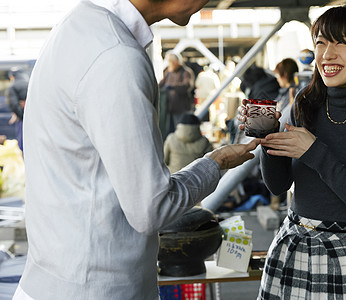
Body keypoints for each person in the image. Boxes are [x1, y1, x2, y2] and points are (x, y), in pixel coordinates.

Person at [14, 0, 260, 299]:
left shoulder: (78, 27)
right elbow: (151, 208)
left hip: (57, 281)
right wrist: (216, 161)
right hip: (97, 290)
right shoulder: (116, 57)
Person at [239, 4, 346, 299]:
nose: (327, 54)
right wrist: (268, 139)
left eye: (343, 42)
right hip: (292, 244)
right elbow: (279, 185)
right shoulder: (306, 104)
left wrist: (315, 152)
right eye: (321, 42)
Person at [159, 51, 195, 133]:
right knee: (169, 132)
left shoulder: (186, 72)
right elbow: (161, 84)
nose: (169, 64)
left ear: (176, 62)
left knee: (181, 131)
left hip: (181, 109)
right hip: (169, 109)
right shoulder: (168, 72)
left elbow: (187, 86)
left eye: (171, 62)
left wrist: (172, 86)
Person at [5, 67, 29, 152]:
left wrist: (21, 115)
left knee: (22, 143)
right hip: (32, 118)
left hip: (22, 119)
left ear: (12, 77)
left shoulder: (13, 86)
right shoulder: (28, 83)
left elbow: (13, 104)